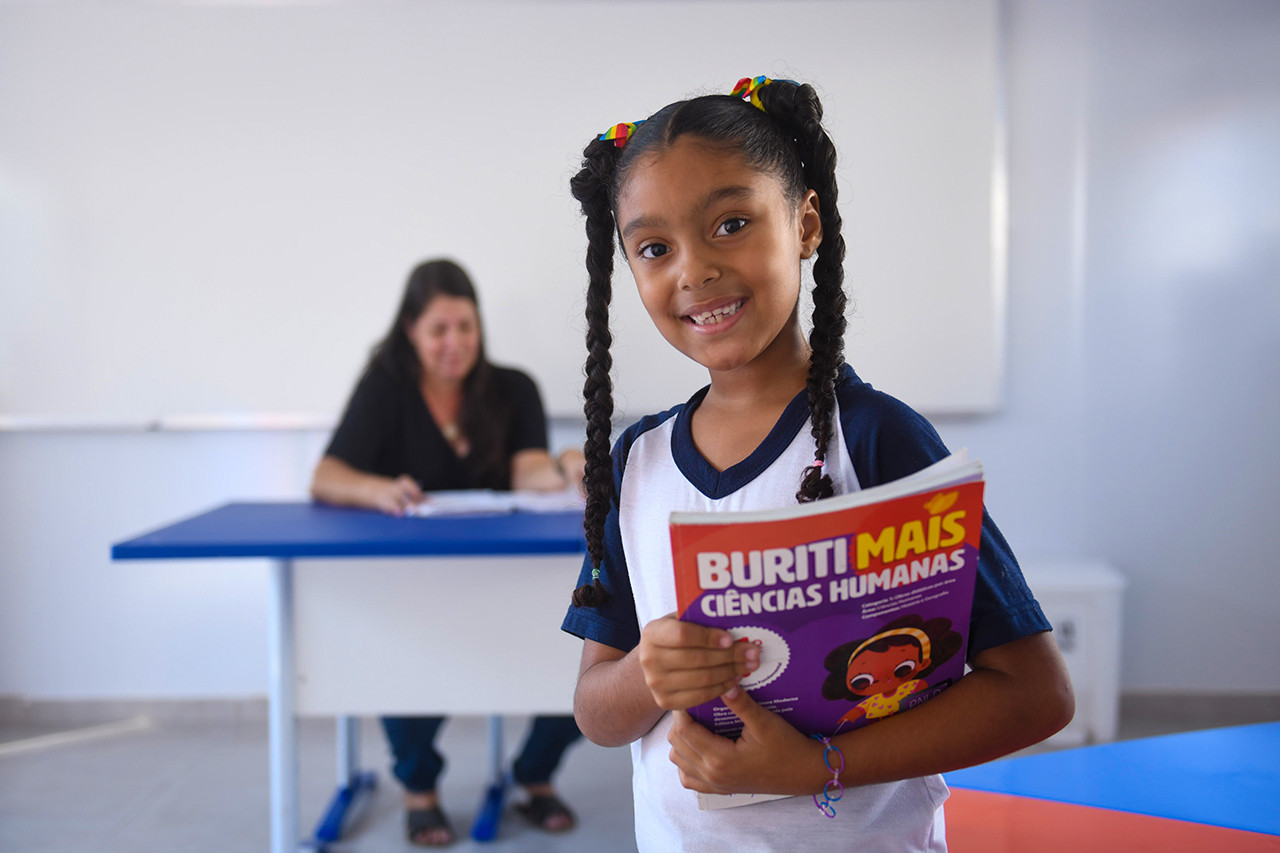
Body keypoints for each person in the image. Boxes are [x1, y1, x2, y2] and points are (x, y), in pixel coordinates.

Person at [559, 76, 1074, 851]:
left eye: (731, 223)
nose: (693, 270)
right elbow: (596, 711)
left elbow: (1035, 694)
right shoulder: (637, 462)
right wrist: (645, 675)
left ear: (805, 225)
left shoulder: (878, 440)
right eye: (656, 247)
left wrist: (818, 764)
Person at [311, 258, 585, 847]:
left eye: (466, 327)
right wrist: (375, 489)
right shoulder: (385, 388)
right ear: (410, 329)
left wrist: (565, 466)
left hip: (509, 576)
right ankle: (420, 789)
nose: (454, 343)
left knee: (582, 653)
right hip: (417, 580)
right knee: (406, 657)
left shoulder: (513, 387)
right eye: (439, 330)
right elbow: (326, 475)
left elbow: (527, 469)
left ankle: (532, 775)